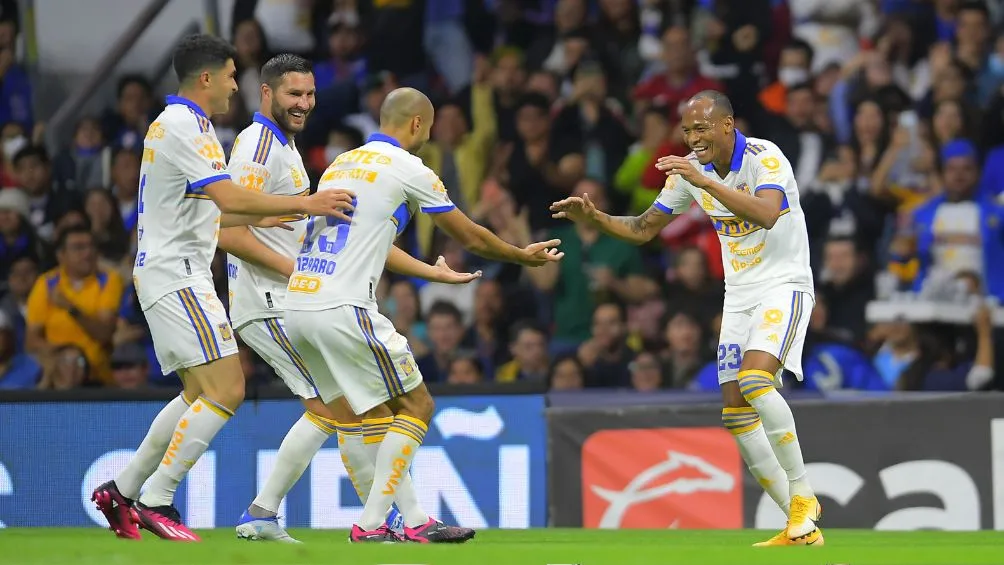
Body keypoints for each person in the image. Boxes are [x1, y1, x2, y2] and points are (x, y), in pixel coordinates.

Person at [89, 34, 354, 542]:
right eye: (233, 75)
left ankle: (122, 491)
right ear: (207, 77)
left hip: (177, 270)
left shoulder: (189, 124)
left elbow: (222, 207)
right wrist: (308, 204)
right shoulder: (187, 125)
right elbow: (230, 204)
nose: (238, 85)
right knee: (228, 389)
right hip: (179, 272)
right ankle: (158, 499)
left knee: (198, 392)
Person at [284, 87, 562, 543]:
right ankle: (371, 524)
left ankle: (413, 520)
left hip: (300, 303)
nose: (428, 137)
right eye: (428, 129)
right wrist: (520, 255)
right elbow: (469, 235)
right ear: (416, 124)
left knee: (372, 413)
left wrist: (434, 275)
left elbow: (369, 242)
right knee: (418, 405)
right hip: (343, 306)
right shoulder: (410, 168)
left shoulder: (342, 163)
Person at [219, 54, 477, 543]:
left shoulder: (289, 149)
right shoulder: (258, 145)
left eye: (310, 94)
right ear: (267, 94)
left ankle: (279, 512)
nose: (304, 103)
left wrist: (430, 273)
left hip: (293, 297)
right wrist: (299, 267)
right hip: (275, 298)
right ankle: (388, 519)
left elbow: (356, 241)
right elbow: (225, 228)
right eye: (294, 94)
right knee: (342, 411)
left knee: (356, 411)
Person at [551, 90, 822, 547]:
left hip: (784, 283)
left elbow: (768, 213)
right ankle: (800, 527)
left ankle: (802, 494)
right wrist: (594, 217)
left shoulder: (764, 157)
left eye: (702, 128)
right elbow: (642, 229)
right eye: (687, 130)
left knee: (756, 382)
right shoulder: (689, 173)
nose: (694, 138)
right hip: (738, 296)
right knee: (736, 412)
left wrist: (704, 182)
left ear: (728, 125)